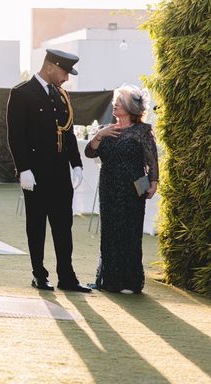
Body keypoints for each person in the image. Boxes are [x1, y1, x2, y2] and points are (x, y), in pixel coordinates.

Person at [6, 49, 91, 293]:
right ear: (51, 66)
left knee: (63, 226)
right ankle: (39, 275)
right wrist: (23, 169)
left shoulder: (61, 96)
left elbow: (68, 132)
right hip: (36, 173)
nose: (66, 78)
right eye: (64, 72)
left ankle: (67, 276)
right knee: (37, 225)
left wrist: (76, 164)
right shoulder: (21, 93)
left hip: (60, 173)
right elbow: (15, 136)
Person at [85, 84, 158, 294]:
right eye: (115, 101)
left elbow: (151, 158)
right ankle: (110, 280)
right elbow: (90, 153)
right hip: (109, 187)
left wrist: (154, 182)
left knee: (130, 232)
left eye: (119, 102)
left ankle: (131, 280)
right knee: (109, 232)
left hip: (133, 189)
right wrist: (100, 135)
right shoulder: (107, 129)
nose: (114, 104)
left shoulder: (142, 131)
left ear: (129, 107)